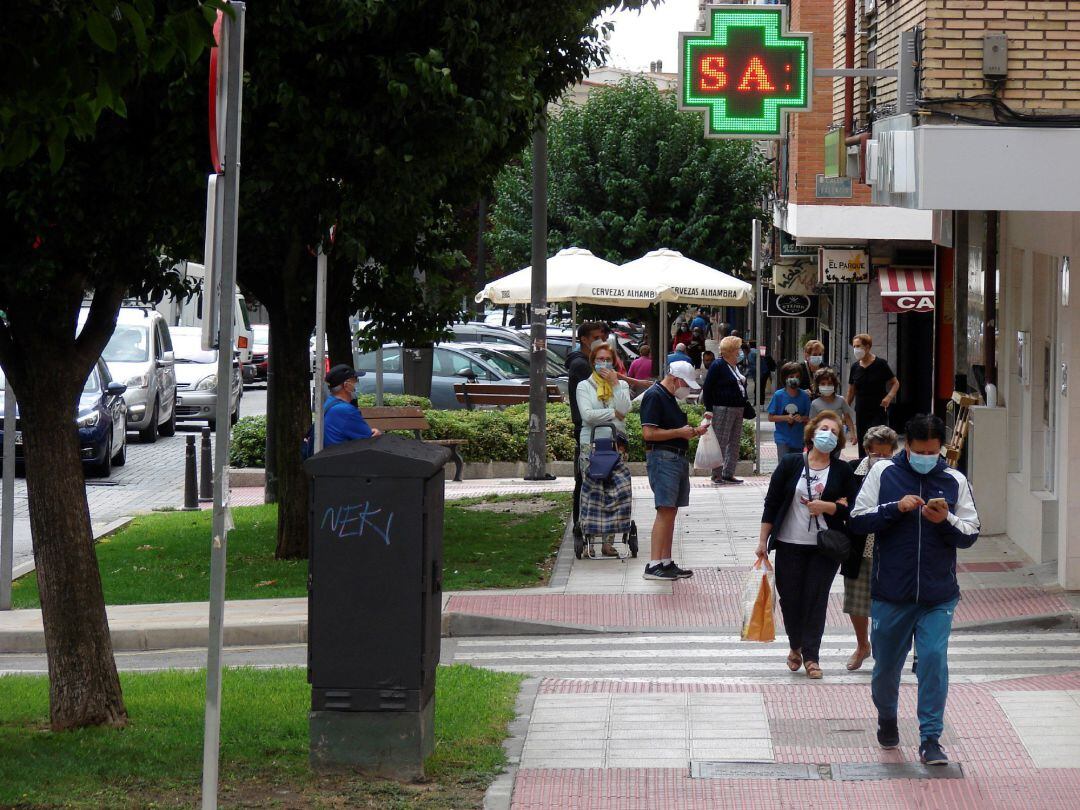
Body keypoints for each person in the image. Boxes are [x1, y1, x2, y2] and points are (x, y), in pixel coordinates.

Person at [850, 414, 980, 766]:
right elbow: (858, 519)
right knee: (886, 667)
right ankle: (887, 718)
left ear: (941, 449)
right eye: (920, 450)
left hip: (939, 594)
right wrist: (895, 508)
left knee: (934, 660)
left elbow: (971, 532)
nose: (927, 457)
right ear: (907, 446)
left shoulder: (954, 479)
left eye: (933, 451)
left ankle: (930, 739)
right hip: (891, 591)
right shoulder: (883, 473)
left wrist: (947, 520)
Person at [756, 411, 855, 679]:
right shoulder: (790, 464)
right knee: (790, 599)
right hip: (789, 543)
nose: (828, 434)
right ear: (812, 433)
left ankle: (812, 657)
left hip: (825, 547)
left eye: (834, 432)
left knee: (816, 598)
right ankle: (795, 645)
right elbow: (772, 502)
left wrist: (829, 506)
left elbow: (852, 510)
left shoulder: (843, 470)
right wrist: (762, 541)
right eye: (824, 429)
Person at [639, 360, 709, 581]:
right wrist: (679, 432)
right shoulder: (655, 396)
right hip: (663, 457)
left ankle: (666, 561)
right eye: (685, 384)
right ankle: (654, 563)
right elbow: (648, 434)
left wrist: (694, 431)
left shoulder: (668, 397)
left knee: (671, 510)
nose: (686, 388)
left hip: (675, 457)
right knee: (665, 509)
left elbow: (674, 430)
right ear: (676, 379)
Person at [842, 425, 898, 671]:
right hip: (859, 543)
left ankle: (883, 649)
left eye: (887, 455)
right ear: (867, 451)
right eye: (878, 454)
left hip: (889, 546)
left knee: (888, 602)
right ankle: (862, 645)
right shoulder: (852, 470)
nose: (882, 459)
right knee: (856, 599)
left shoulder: (900, 473)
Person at [577, 343, 632, 558]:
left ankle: (608, 542)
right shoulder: (585, 386)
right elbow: (587, 415)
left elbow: (625, 409)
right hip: (590, 443)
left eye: (608, 360)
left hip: (616, 443)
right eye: (600, 360)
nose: (604, 364)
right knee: (592, 491)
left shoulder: (621, 385)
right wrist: (613, 413)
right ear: (593, 362)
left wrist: (616, 385)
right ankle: (589, 538)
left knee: (615, 492)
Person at [566, 322, 607, 538]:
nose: (600, 342)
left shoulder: (585, 363)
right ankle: (580, 523)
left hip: (593, 427)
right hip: (586, 428)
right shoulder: (581, 366)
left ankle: (591, 520)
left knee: (592, 476)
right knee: (585, 477)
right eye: (596, 338)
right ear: (584, 339)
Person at [702, 335, 749, 486]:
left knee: (734, 442)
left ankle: (729, 472)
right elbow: (708, 388)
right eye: (738, 349)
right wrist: (709, 408)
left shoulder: (735, 366)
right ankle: (716, 474)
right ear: (730, 350)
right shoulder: (718, 365)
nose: (740, 352)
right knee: (721, 441)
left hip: (737, 408)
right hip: (723, 408)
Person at [846, 333, 900, 458]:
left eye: (859, 346)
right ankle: (863, 465)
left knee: (877, 438)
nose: (856, 349)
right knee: (863, 440)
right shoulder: (855, 367)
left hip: (878, 409)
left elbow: (895, 383)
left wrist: (889, 397)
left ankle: (879, 462)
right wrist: (846, 408)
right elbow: (851, 391)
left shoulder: (880, 364)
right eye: (854, 346)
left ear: (868, 347)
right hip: (861, 409)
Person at [323, 365, 380, 445]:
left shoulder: (329, 402)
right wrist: (377, 433)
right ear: (346, 386)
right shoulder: (346, 411)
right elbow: (370, 439)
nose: (357, 383)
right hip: (342, 455)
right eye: (355, 380)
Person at [768, 362, 811, 458]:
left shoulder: (804, 397)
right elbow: (770, 417)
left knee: (797, 467)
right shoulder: (778, 395)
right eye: (791, 376)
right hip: (782, 439)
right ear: (785, 378)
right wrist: (785, 417)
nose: (794, 379)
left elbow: (809, 418)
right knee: (784, 466)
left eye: (797, 376)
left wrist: (802, 418)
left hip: (799, 439)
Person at [810, 368, 856, 449]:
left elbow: (847, 418)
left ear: (834, 385)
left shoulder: (841, 400)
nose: (826, 386)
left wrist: (853, 434)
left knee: (835, 458)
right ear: (818, 386)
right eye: (823, 384)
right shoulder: (815, 403)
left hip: (837, 436)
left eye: (830, 383)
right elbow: (812, 423)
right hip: (821, 437)